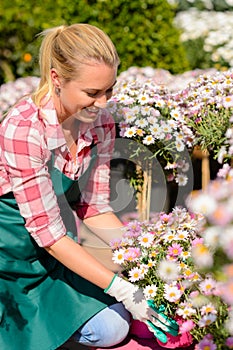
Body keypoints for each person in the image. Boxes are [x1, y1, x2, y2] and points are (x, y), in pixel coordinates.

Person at [0, 23, 178, 350]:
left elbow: (93, 206)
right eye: (92, 93)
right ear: (56, 79)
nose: (102, 102)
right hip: (9, 258)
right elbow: (47, 234)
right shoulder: (25, 129)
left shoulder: (102, 122)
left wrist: (147, 259)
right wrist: (124, 290)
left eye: (108, 89)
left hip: (56, 253)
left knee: (115, 326)